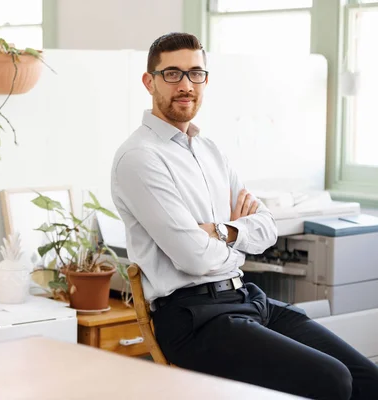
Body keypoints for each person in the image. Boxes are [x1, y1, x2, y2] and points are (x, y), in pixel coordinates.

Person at [110, 32, 378, 400]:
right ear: (149, 81)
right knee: (333, 380)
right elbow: (193, 257)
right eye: (172, 74)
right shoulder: (140, 158)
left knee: (367, 376)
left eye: (196, 73)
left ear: (206, 79)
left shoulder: (210, 150)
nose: (186, 85)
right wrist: (239, 240)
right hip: (194, 319)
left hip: (247, 298)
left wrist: (220, 231)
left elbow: (267, 228)